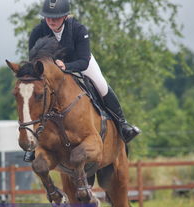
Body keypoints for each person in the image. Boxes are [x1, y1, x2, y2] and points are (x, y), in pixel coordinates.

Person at [23, 0, 141, 162]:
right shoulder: (38, 31)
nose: (51, 21)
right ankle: (34, 143)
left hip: (78, 63)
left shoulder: (78, 29)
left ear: (65, 16)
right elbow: (33, 61)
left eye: (55, 18)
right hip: (51, 72)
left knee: (101, 85)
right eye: (48, 17)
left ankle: (122, 125)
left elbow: (84, 61)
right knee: (36, 96)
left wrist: (66, 66)